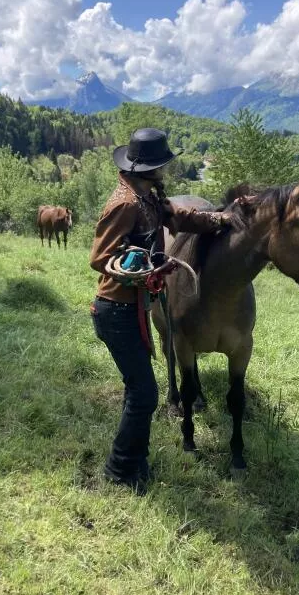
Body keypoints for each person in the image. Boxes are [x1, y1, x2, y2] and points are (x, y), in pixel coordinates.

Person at [89, 127, 242, 494]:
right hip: (117, 311)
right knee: (143, 394)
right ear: (150, 168)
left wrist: (220, 219)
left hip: (135, 309)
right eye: (162, 165)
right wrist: (145, 270)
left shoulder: (149, 198)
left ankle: (134, 462)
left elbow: (184, 218)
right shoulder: (125, 204)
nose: (165, 172)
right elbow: (99, 258)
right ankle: (120, 469)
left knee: (140, 391)